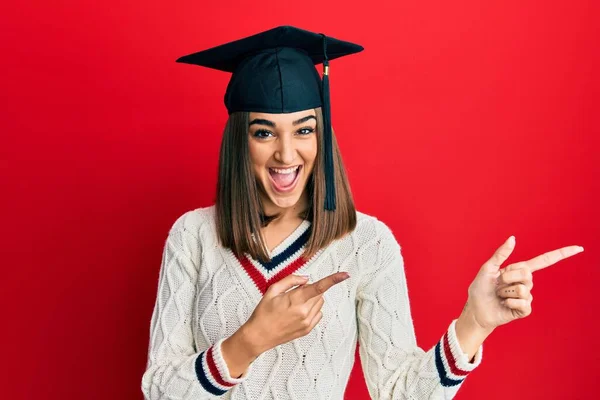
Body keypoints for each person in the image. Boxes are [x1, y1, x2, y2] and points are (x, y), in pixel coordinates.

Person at [141, 26, 584, 400]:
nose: (286, 152)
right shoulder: (193, 235)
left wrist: (474, 323)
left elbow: (397, 390)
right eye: (264, 132)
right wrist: (248, 343)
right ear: (241, 140)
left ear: (321, 134)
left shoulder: (366, 243)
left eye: (304, 129)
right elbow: (157, 389)